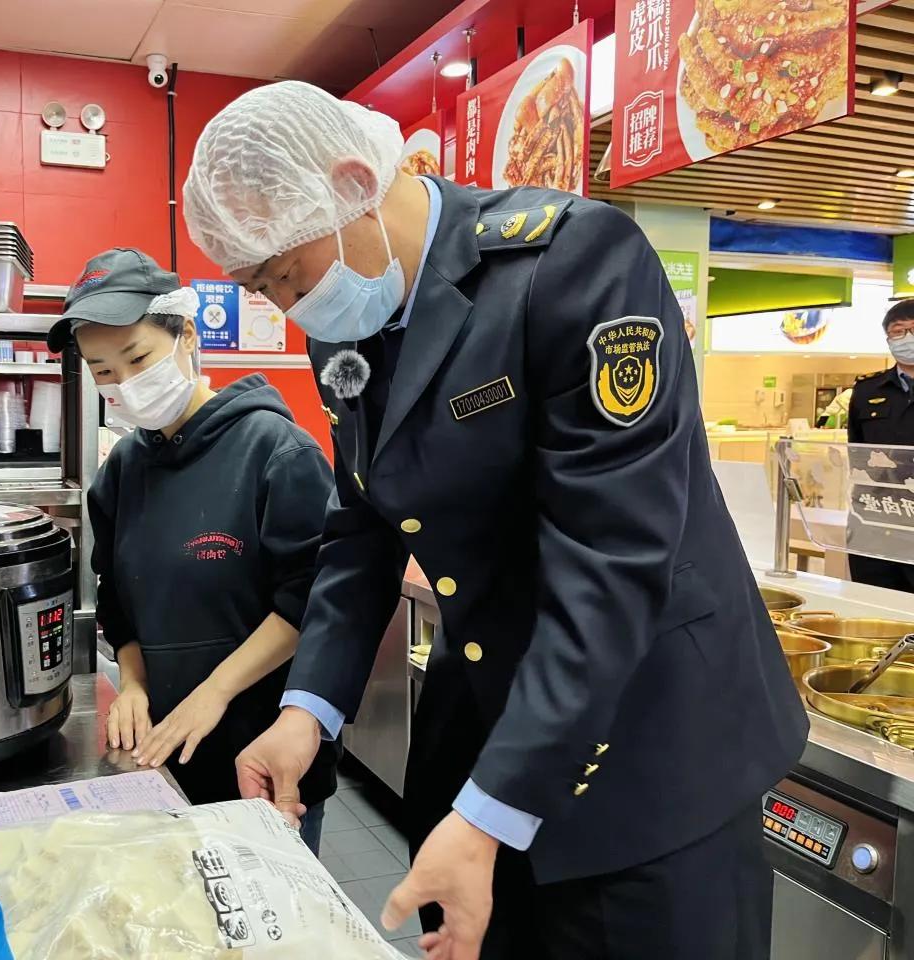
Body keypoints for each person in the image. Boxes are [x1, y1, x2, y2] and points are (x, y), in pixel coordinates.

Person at [182, 81, 807, 959]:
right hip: (484, 719)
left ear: (355, 182)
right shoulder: (347, 324)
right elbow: (362, 522)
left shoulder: (572, 265)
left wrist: (487, 814)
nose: (289, 314)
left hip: (652, 756)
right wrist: (308, 710)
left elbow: (613, 562)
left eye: (282, 277)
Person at [48, 247, 341, 853]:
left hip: (262, 755)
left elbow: (310, 602)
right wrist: (132, 685)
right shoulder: (123, 471)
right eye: (103, 371)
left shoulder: (275, 451)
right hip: (163, 756)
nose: (125, 384)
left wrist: (215, 691)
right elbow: (119, 601)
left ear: (185, 335)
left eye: (137, 357)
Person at [845, 298, 914, 591]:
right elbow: (856, 451)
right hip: (876, 519)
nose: (907, 338)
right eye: (899, 331)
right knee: (875, 600)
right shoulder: (867, 391)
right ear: (888, 338)